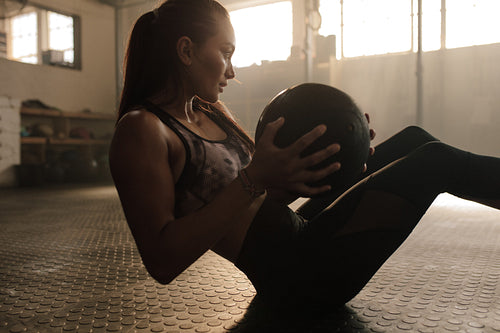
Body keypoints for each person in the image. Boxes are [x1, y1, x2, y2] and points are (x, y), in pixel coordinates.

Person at [109, 0, 500, 311]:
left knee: (412, 140)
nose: (232, 69)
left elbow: (262, 202)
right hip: (300, 276)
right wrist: (254, 179)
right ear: (186, 50)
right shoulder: (144, 129)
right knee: (436, 160)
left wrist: (346, 157)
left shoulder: (209, 113)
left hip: (301, 233)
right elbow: (162, 261)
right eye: (226, 52)